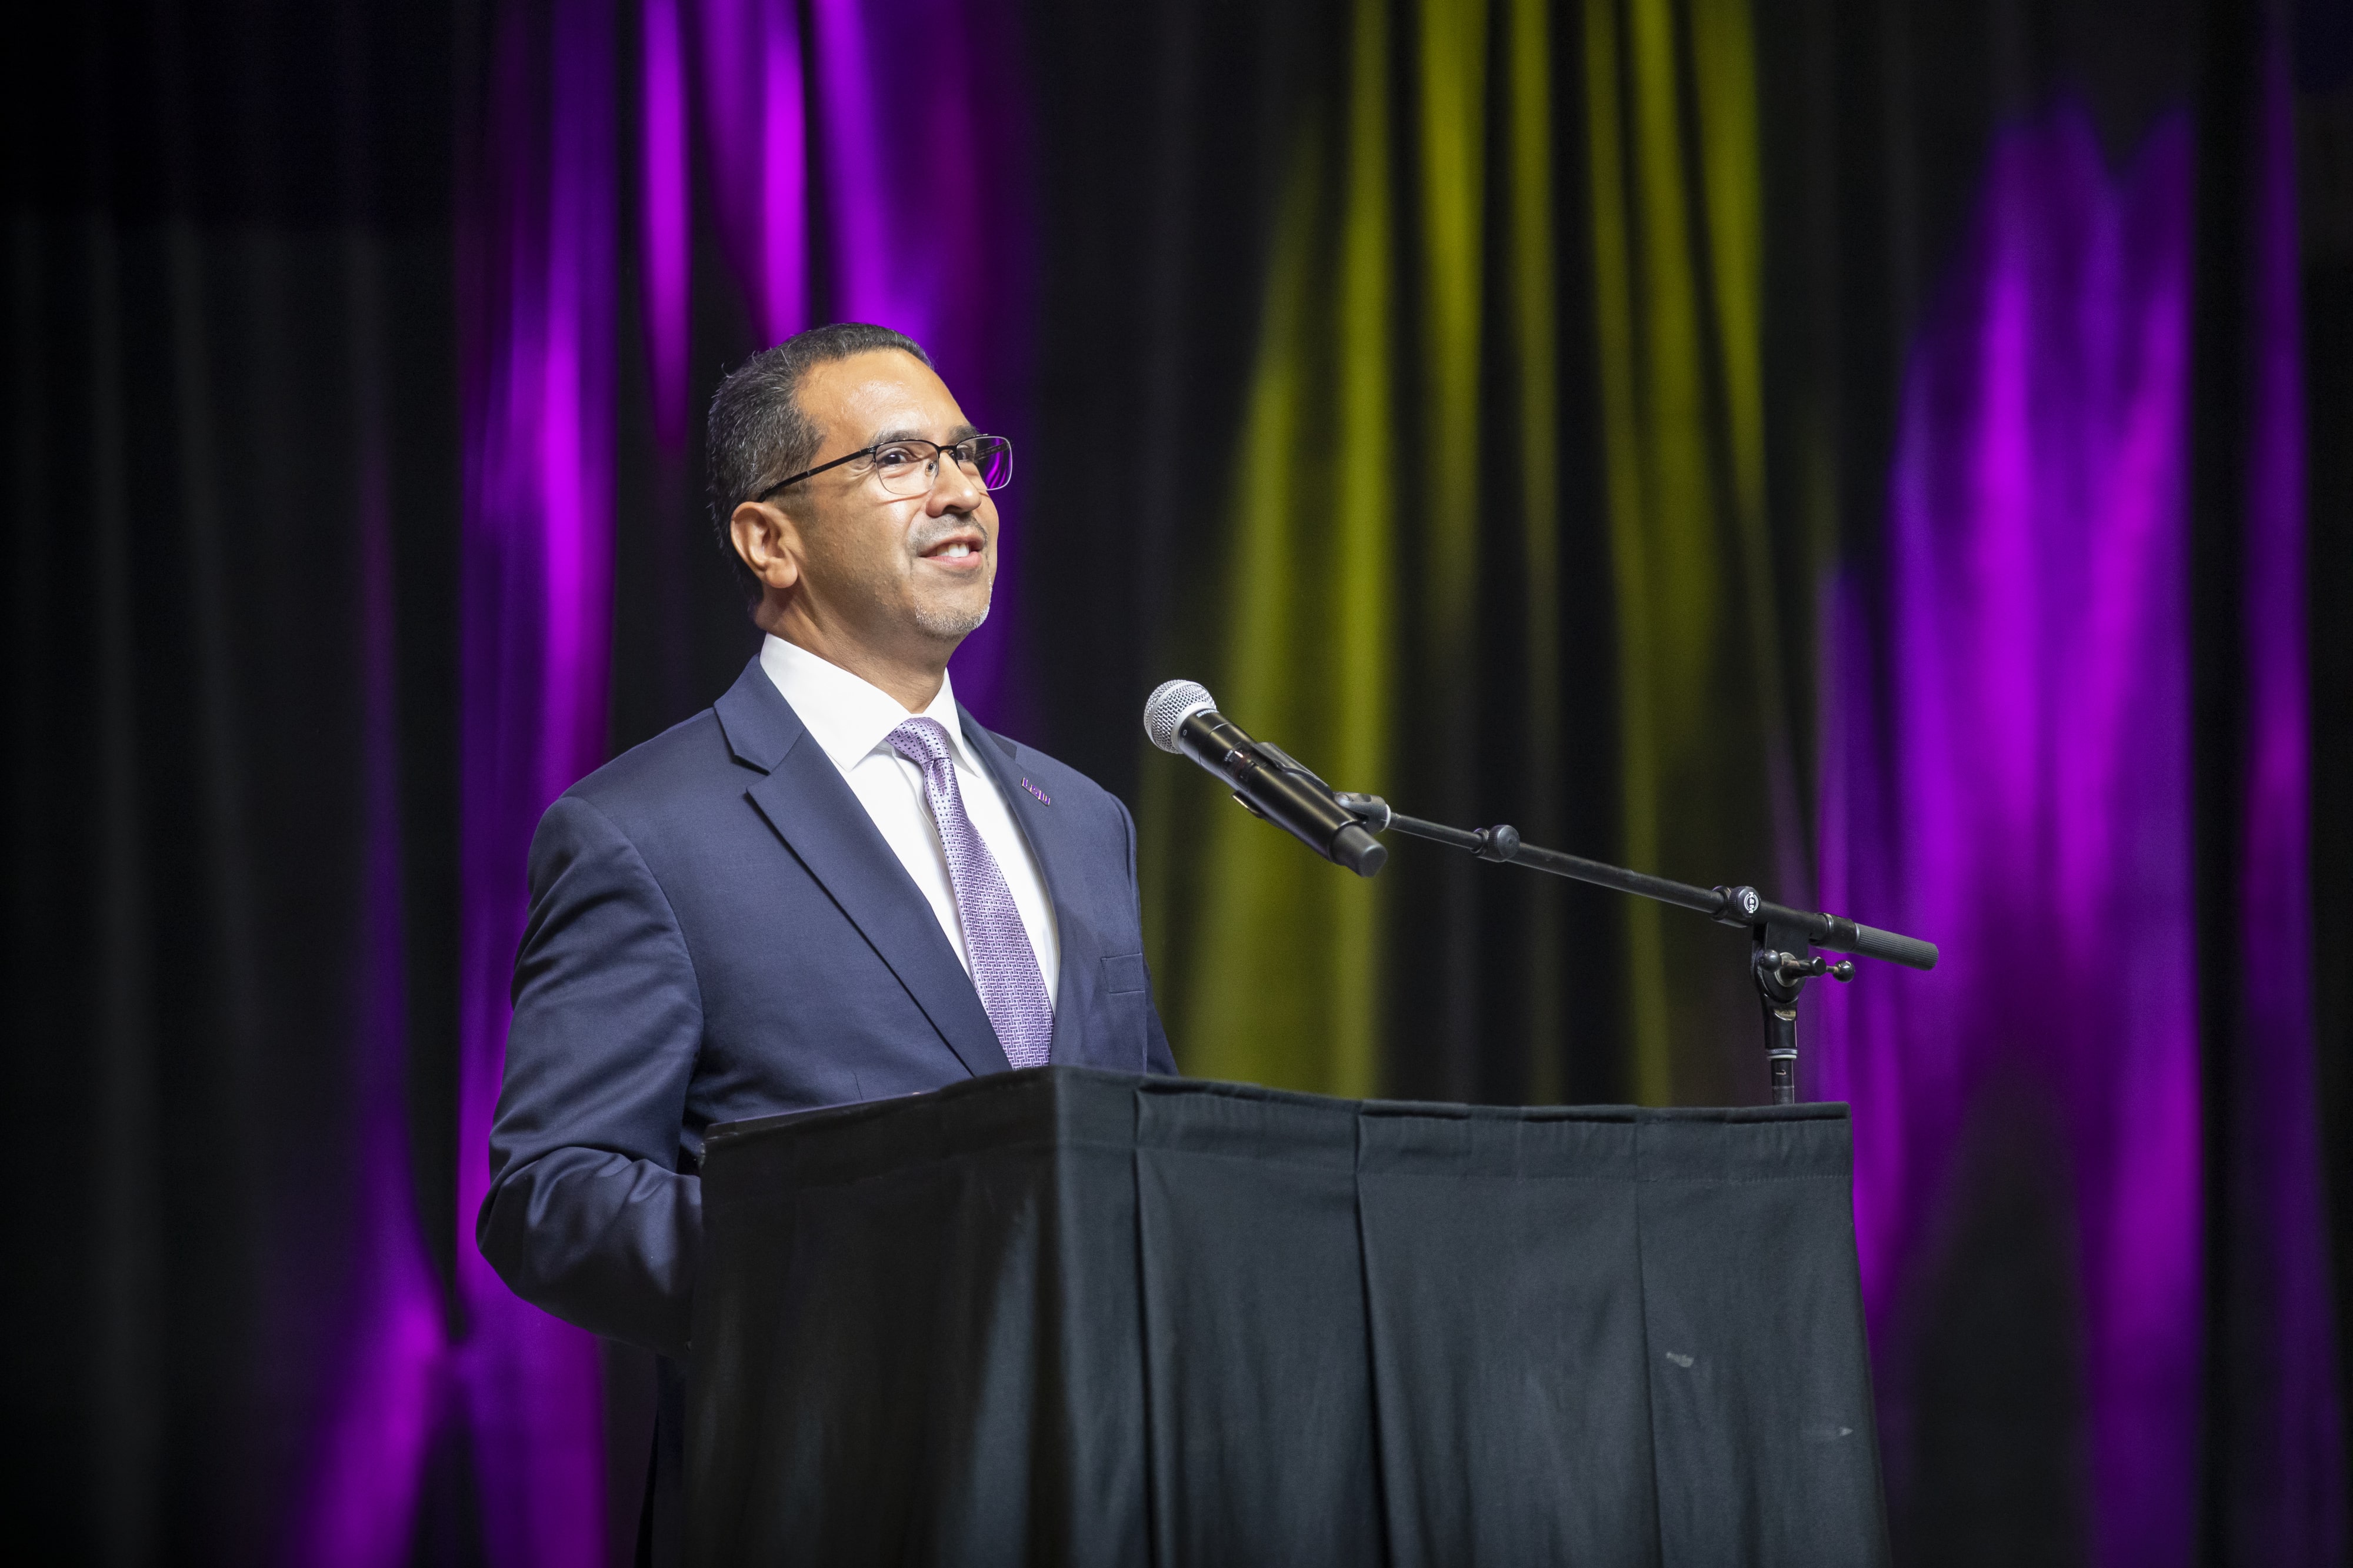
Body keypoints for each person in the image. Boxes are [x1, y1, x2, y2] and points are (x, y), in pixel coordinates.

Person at [476, 322, 1176, 1560]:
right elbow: (555, 1196)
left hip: (1111, 1502)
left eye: (969, 455)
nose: (961, 488)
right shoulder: (642, 832)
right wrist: (867, 1266)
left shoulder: (1085, 821)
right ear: (768, 538)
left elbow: (1149, 1145)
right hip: (827, 1501)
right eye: (901, 458)